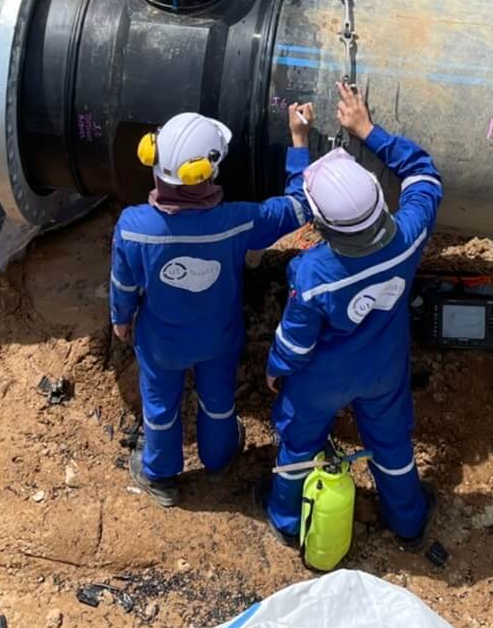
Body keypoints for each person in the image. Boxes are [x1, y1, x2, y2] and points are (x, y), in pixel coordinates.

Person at [259, 82, 443, 550]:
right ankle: (408, 521)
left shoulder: (315, 272)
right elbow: (424, 175)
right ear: (381, 203)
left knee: (299, 444)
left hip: (322, 377)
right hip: (384, 367)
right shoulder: (409, 236)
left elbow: (295, 340)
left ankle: (286, 518)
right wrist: (368, 130)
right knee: (391, 443)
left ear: (322, 226)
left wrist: (276, 370)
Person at [112, 105, 314, 506]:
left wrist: (121, 318)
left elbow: (124, 283)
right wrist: (299, 140)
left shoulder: (133, 226)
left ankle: (161, 476)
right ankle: (219, 458)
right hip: (218, 336)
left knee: (159, 404)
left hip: (161, 342)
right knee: (218, 400)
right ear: (207, 172)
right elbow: (298, 206)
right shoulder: (237, 221)